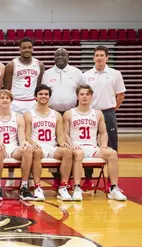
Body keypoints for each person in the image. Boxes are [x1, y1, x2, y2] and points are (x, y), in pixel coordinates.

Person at [63, 84, 127, 201]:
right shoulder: (69, 113)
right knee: (78, 154)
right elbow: (65, 133)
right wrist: (71, 146)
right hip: (77, 147)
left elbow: (103, 133)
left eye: (87, 94)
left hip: (92, 147)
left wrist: (103, 145)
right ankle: (77, 188)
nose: (84, 97)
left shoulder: (97, 113)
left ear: (91, 96)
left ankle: (113, 188)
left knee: (112, 154)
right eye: (82, 94)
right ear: (77, 97)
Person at [83, 45, 126, 188]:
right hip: (91, 114)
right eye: (97, 55)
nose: (99, 58)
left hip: (108, 113)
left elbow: (120, 95)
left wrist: (113, 109)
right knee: (88, 145)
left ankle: (110, 182)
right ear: (93, 57)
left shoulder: (115, 74)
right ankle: (88, 179)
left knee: (111, 147)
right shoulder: (86, 75)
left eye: (102, 55)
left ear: (107, 57)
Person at [41, 47, 84, 187]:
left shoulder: (77, 73)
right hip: (53, 113)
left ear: (68, 57)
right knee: (56, 145)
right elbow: (44, 93)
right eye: (57, 55)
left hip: (71, 113)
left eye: (63, 55)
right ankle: (57, 178)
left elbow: (84, 92)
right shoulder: (47, 74)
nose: (60, 57)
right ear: (54, 57)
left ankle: (70, 178)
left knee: (70, 144)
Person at [24, 84, 73, 201]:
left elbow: (60, 135)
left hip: (51, 147)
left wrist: (63, 143)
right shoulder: (28, 114)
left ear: (49, 97)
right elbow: (26, 135)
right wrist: (31, 142)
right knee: (36, 152)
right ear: (35, 97)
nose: (43, 96)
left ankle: (63, 187)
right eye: (40, 94)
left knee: (67, 152)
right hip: (37, 146)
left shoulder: (56, 114)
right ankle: (37, 187)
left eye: (46, 94)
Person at [0, 89, 33, 201]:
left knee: (27, 150)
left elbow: (21, 138)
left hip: (13, 147)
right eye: (2, 98)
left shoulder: (18, 117)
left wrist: (25, 143)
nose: (5, 100)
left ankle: (24, 186)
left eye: (7, 98)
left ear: (11, 101)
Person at [3, 37, 45, 115]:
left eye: (29, 47)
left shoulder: (39, 65)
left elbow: (39, 86)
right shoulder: (11, 65)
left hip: (32, 102)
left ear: (33, 49)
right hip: (15, 102)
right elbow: (7, 88)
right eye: (24, 48)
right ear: (20, 49)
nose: (27, 50)